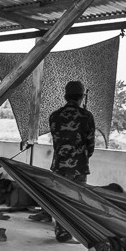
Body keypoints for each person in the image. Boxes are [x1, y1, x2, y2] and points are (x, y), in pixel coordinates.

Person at [37, 80, 95, 242]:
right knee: (77, 200)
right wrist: (82, 156)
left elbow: (57, 140)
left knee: (60, 198)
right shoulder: (86, 116)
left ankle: (62, 231)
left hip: (59, 165)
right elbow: (90, 144)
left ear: (65, 96)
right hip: (79, 166)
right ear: (81, 97)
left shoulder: (55, 116)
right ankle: (76, 231)